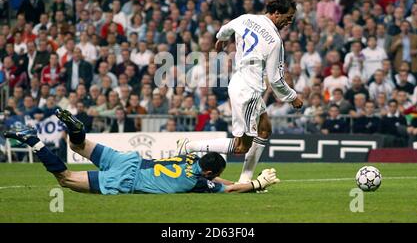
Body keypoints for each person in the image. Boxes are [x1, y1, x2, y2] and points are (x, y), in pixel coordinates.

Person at [177, 0, 303, 184]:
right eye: (288, 17)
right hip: (249, 91)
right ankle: (190, 146)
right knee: (241, 146)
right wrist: (292, 97)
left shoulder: (246, 19)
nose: (289, 22)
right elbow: (276, 79)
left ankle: (245, 179)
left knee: (264, 129)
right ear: (277, 13)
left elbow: (225, 29)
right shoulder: (275, 41)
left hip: (239, 82)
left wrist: (220, 40)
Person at [3, 110, 280, 195]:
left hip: (128, 159)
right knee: (65, 178)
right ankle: (35, 142)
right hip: (126, 181)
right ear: (208, 173)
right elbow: (225, 189)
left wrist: (244, 184)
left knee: (77, 145)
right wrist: (255, 184)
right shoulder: (197, 183)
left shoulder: (191, 160)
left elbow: (222, 182)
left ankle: (76, 128)